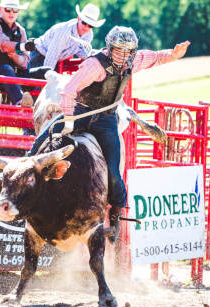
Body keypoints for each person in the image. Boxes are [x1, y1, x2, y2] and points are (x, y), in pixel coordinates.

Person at [28, 26, 191, 243]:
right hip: (81, 113)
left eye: (128, 51)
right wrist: (67, 119)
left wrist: (173, 54)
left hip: (106, 121)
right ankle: (22, 176)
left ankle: (115, 216)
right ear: (109, 48)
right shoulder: (94, 65)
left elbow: (156, 58)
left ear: (133, 51)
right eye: (118, 51)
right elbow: (68, 90)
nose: (123, 56)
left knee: (114, 171)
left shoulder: (134, 60)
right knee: (43, 139)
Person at [0, 0, 44, 108]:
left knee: (44, 71)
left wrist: (16, 57)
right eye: (7, 9)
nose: (11, 13)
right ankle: (21, 103)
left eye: (15, 10)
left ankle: (42, 106)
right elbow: (4, 45)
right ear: (0, 9)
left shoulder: (20, 30)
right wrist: (23, 46)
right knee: (6, 69)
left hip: (12, 76)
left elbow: (25, 62)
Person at [27, 3, 105, 70]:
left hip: (55, 60)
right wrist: (47, 75)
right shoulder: (64, 31)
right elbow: (52, 55)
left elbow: (83, 53)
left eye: (90, 25)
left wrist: (99, 54)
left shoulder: (89, 34)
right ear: (78, 19)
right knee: (35, 85)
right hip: (39, 55)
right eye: (84, 22)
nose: (86, 27)